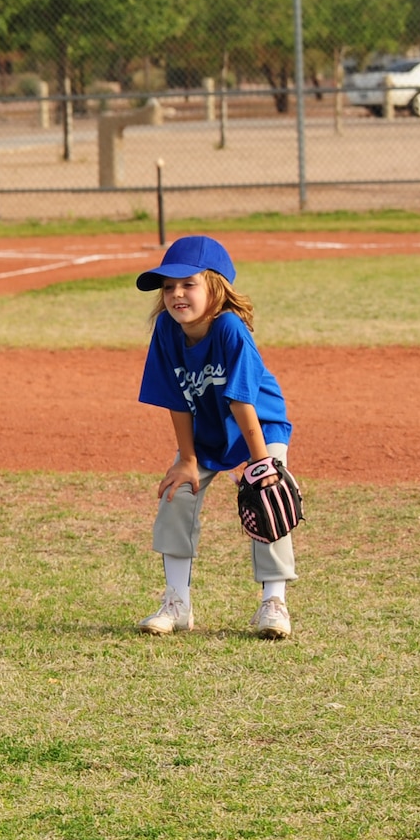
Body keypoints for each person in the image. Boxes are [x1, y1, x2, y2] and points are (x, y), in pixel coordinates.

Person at [134, 235, 296, 639]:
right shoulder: (167, 331)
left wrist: (261, 464)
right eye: (168, 287)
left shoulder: (229, 329)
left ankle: (273, 603)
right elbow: (174, 398)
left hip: (259, 426)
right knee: (178, 495)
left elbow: (243, 401)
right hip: (206, 430)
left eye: (188, 284)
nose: (176, 294)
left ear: (216, 287)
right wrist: (186, 459)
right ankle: (176, 603)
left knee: (266, 502)